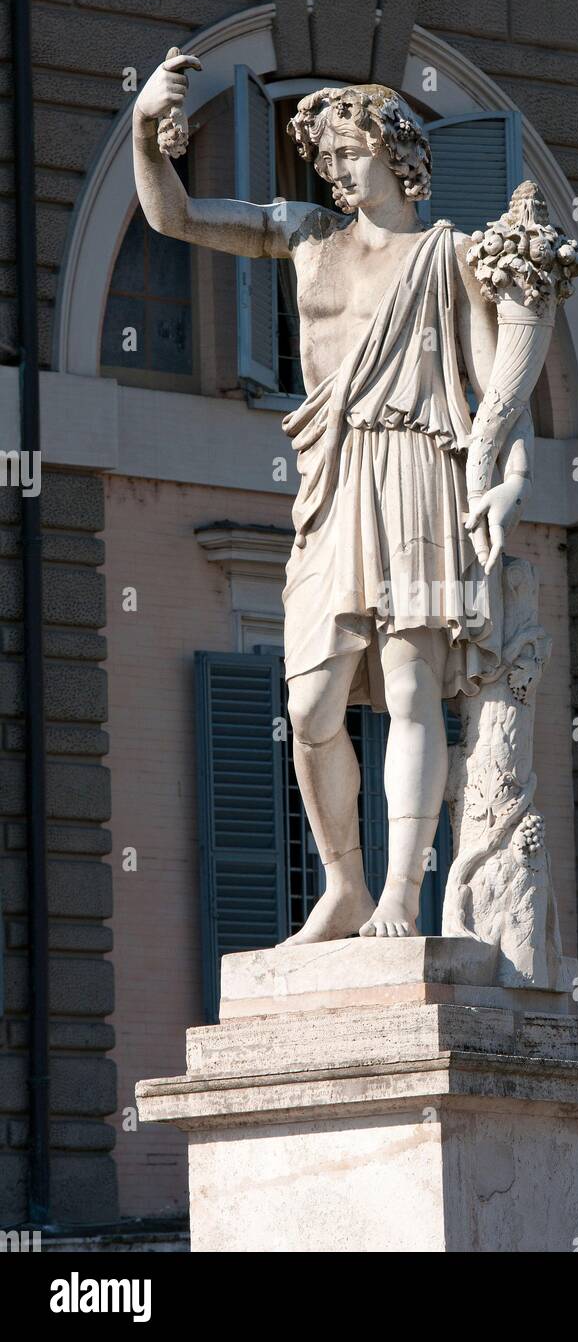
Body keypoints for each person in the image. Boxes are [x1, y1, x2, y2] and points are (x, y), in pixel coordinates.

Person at [133, 55, 535, 940]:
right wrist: (144, 130)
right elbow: (179, 217)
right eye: (332, 159)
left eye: (353, 153)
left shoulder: (449, 257)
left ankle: (400, 894)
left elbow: (497, 395)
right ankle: (343, 884)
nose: (339, 171)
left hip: (417, 472)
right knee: (308, 706)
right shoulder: (306, 234)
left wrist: (506, 485)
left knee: (410, 687)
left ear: (398, 154)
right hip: (334, 479)